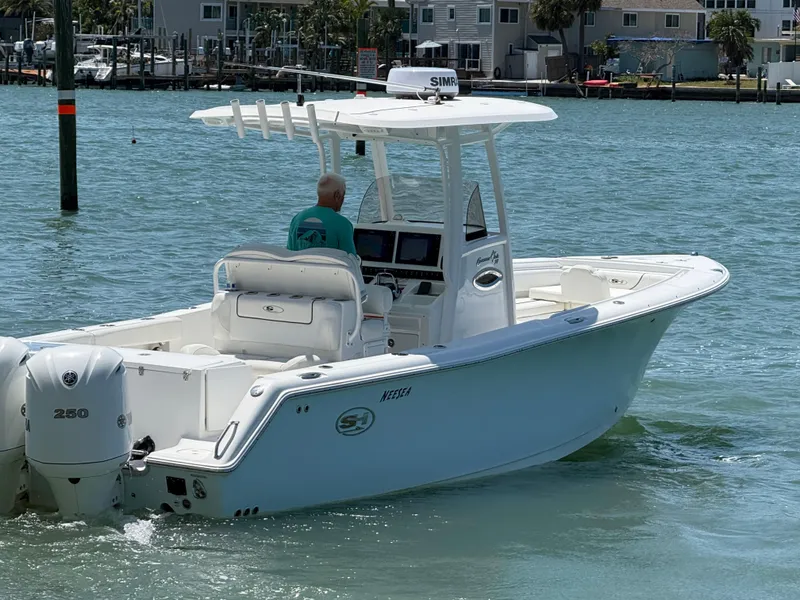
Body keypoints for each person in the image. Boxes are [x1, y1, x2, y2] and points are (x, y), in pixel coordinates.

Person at [287, 173, 357, 255]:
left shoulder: (297, 219)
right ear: (337, 195)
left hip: (300, 267)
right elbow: (351, 260)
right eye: (343, 195)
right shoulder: (343, 224)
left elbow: (289, 254)